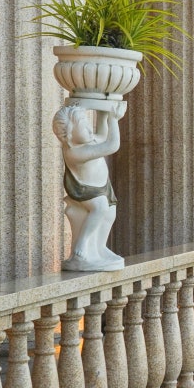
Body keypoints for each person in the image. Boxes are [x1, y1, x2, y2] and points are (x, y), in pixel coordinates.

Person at [53, 102, 127, 272]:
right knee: (99, 209)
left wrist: (103, 113)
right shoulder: (75, 151)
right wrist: (114, 119)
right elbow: (111, 145)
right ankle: (82, 244)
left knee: (110, 213)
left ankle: (99, 247)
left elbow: (102, 133)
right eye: (83, 125)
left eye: (88, 123)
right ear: (69, 135)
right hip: (85, 190)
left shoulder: (89, 140)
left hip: (101, 186)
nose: (88, 127)